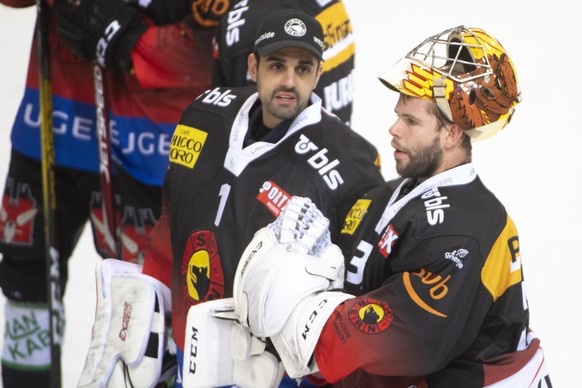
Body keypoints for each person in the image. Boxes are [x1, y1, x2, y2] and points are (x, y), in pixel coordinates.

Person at [76, 8, 385, 387]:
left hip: (268, 373)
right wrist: (152, 305)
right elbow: (172, 222)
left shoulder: (353, 165)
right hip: (182, 349)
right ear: (253, 66)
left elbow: (351, 295)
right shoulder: (203, 116)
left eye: (303, 69)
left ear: (319, 74)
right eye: (276, 65)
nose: (289, 81)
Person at [230, 25, 553, 386]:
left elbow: (409, 340)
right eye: (398, 114)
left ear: (452, 134)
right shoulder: (385, 197)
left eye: (411, 121)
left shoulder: (468, 229)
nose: (393, 129)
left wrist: (298, 319)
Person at [0, 0, 228, 386]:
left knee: (140, 301)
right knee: (26, 283)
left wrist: (126, 40)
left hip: (146, 147)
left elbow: (216, 53)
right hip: (49, 123)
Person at [212, 0, 355, 124]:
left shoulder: (249, 23)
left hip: (291, 150)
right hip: (328, 144)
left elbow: (256, 119)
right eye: (277, 66)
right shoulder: (332, 5)